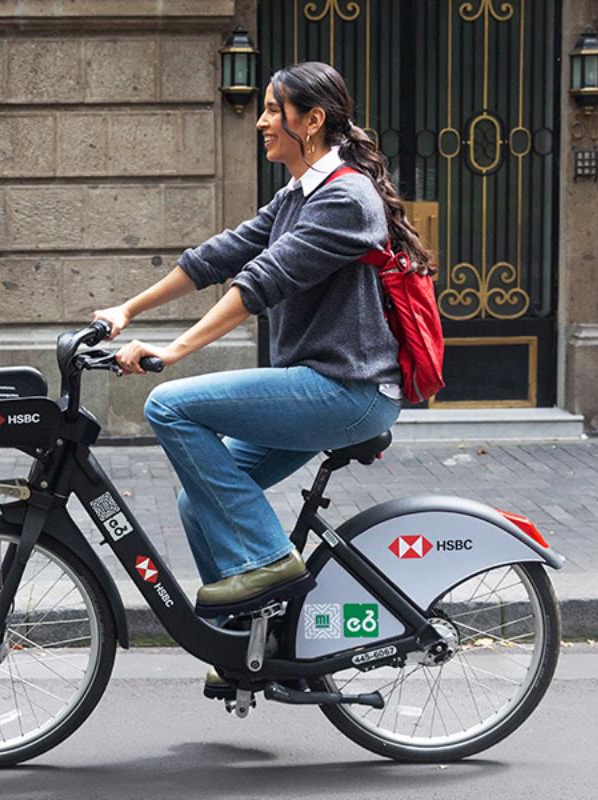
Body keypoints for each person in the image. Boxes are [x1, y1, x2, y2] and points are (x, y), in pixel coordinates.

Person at [92, 61, 432, 650]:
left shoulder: (346, 199)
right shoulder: (300, 193)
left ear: (314, 119)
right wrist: (127, 310)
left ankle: (271, 563)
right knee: (198, 503)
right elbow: (218, 257)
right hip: (316, 385)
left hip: (347, 391)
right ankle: (247, 642)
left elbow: (259, 282)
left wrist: (173, 352)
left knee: (169, 406)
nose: (262, 122)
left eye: (275, 110)